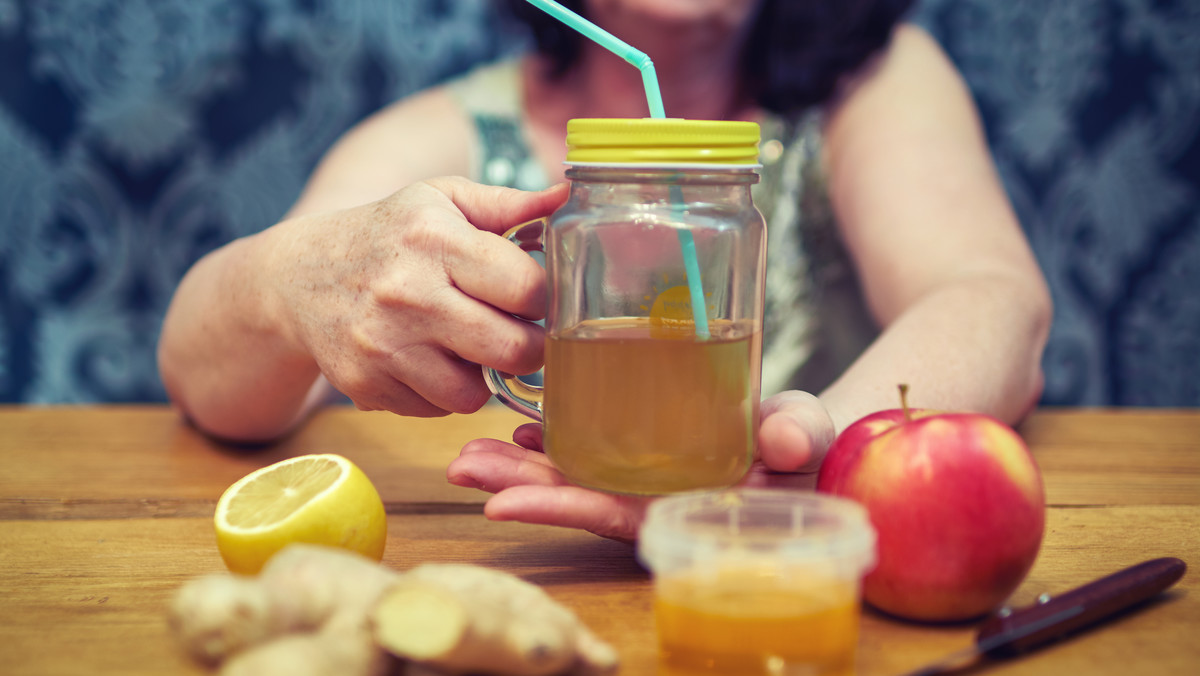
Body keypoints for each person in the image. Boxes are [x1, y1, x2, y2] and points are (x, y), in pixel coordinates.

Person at [158, 0, 1051, 542]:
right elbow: (204, 376)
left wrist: (820, 454)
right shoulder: (443, 132)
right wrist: (291, 276)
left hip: (806, 574)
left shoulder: (873, 83)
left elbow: (992, 298)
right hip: (537, 579)